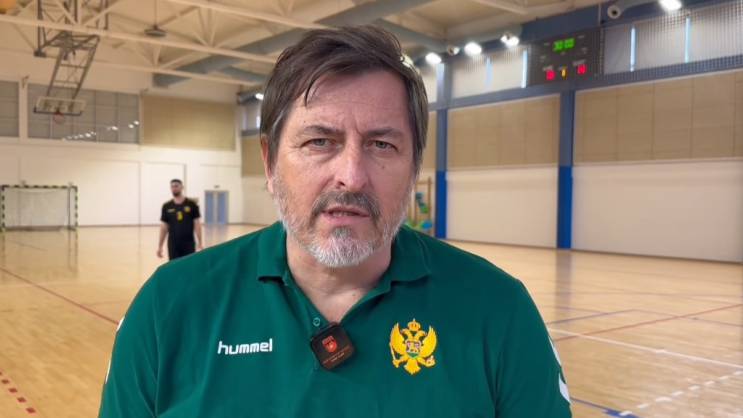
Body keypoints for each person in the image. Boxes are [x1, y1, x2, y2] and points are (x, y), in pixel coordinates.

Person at [100, 26, 571, 418]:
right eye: (319, 142)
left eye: (382, 145)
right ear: (269, 162)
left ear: (414, 167)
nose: (351, 175)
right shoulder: (166, 309)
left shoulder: (500, 311)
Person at [157, 179, 203, 260]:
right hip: (173, 244)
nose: (174, 188)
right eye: (172, 186)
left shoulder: (192, 204)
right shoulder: (166, 206)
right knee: (174, 265)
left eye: (176, 186)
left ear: (182, 187)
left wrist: (200, 242)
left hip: (188, 243)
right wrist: (160, 246)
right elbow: (164, 227)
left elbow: (197, 224)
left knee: (188, 265)